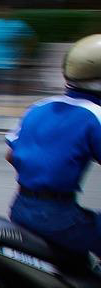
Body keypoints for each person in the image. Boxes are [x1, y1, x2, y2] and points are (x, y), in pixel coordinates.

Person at [6, 34, 101, 259]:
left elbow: (11, 154)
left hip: (20, 208)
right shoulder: (95, 115)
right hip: (59, 218)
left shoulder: (39, 106)